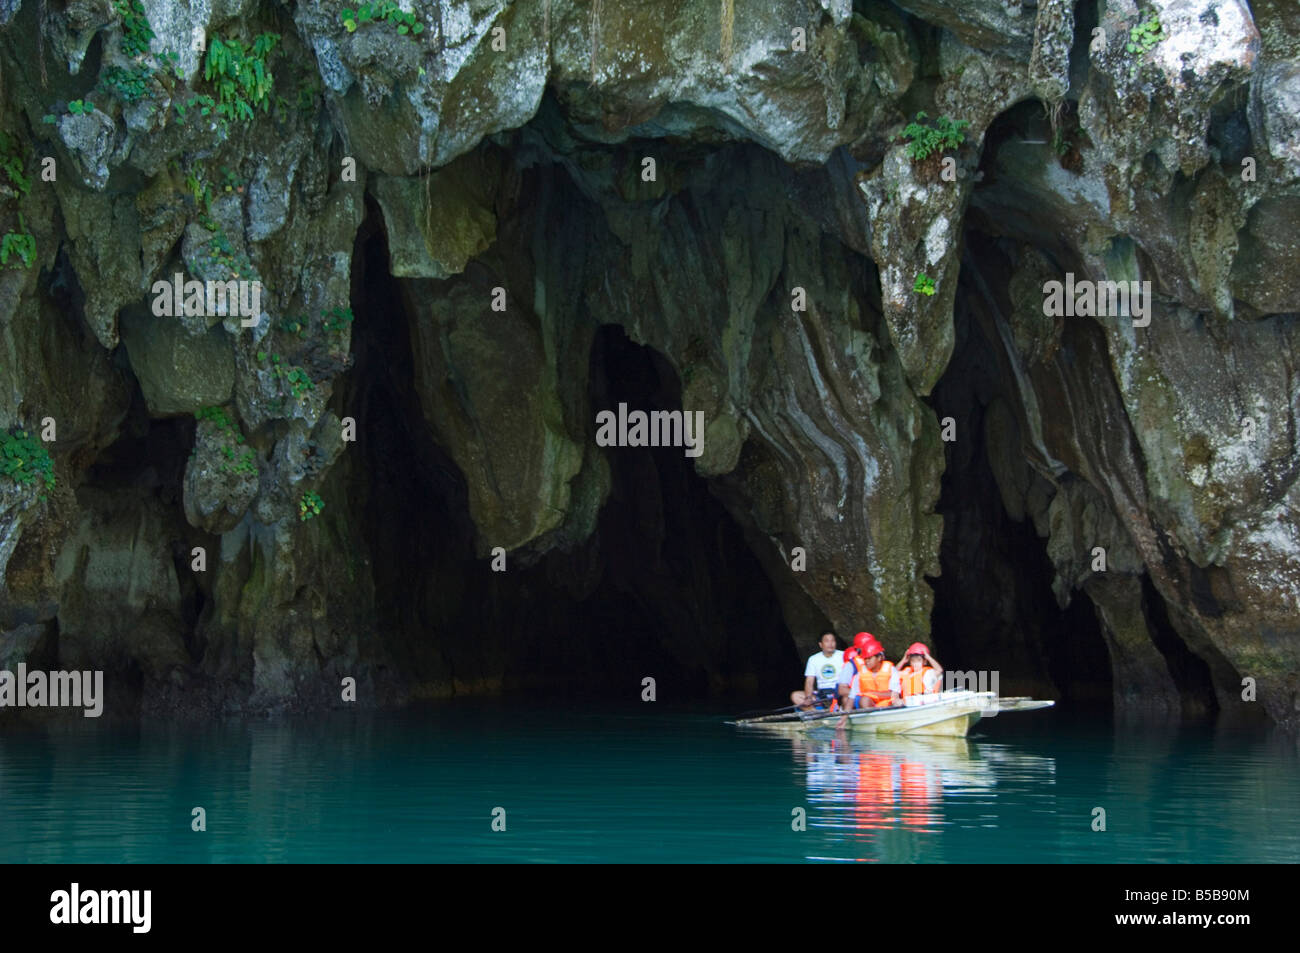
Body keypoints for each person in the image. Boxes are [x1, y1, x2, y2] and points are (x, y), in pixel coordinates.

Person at [838, 632, 897, 709]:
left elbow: (894, 683)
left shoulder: (879, 661)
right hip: (863, 697)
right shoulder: (851, 665)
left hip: (880, 697)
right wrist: (863, 693)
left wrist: (872, 694)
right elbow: (842, 690)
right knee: (848, 699)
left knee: (866, 700)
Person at [791, 632, 843, 711]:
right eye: (827, 641)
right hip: (822, 694)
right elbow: (809, 681)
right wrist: (808, 697)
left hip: (839, 692)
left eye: (832, 641)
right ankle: (817, 713)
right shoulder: (813, 659)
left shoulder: (843, 655)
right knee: (795, 696)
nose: (830, 644)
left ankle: (839, 709)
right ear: (821, 644)